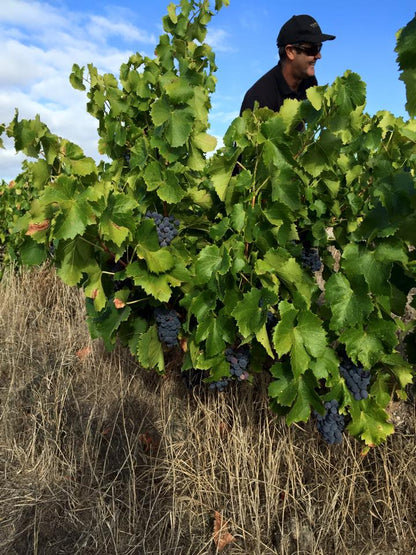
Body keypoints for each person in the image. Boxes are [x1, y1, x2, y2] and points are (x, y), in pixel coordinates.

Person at [240, 15, 335, 115]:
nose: (319, 56)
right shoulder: (258, 98)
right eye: (312, 49)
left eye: (319, 48)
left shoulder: (309, 82)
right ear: (290, 51)